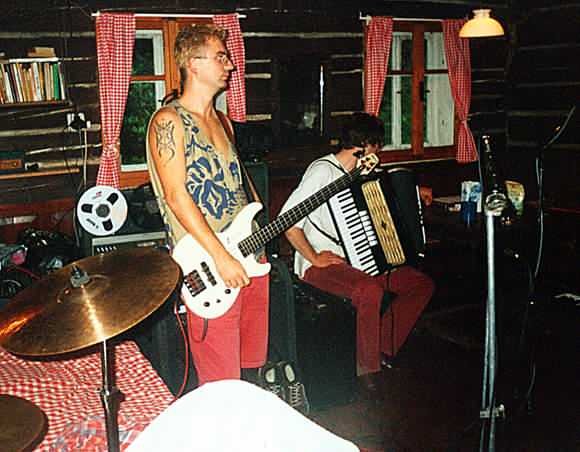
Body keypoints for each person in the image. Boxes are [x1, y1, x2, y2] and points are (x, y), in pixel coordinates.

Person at [146, 24, 269, 386]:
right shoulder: (168, 121)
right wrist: (221, 257)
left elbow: (239, 183)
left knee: (250, 365)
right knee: (220, 381)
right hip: (210, 262)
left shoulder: (224, 121)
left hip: (248, 253)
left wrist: (259, 233)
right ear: (193, 64)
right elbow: (176, 196)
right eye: (220, 57)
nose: (230, 65)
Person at [280, 113, 434, 392]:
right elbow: (288, 221)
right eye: (377, 147)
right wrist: (314, 257)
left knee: (419, 285)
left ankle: (382, 347)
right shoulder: (322, 172)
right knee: (369, 290)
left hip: (360, 259)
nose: (378, 154)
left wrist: (414, 192)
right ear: (366, 146)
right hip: (321, 263)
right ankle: (367, 369)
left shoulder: (360, 173)